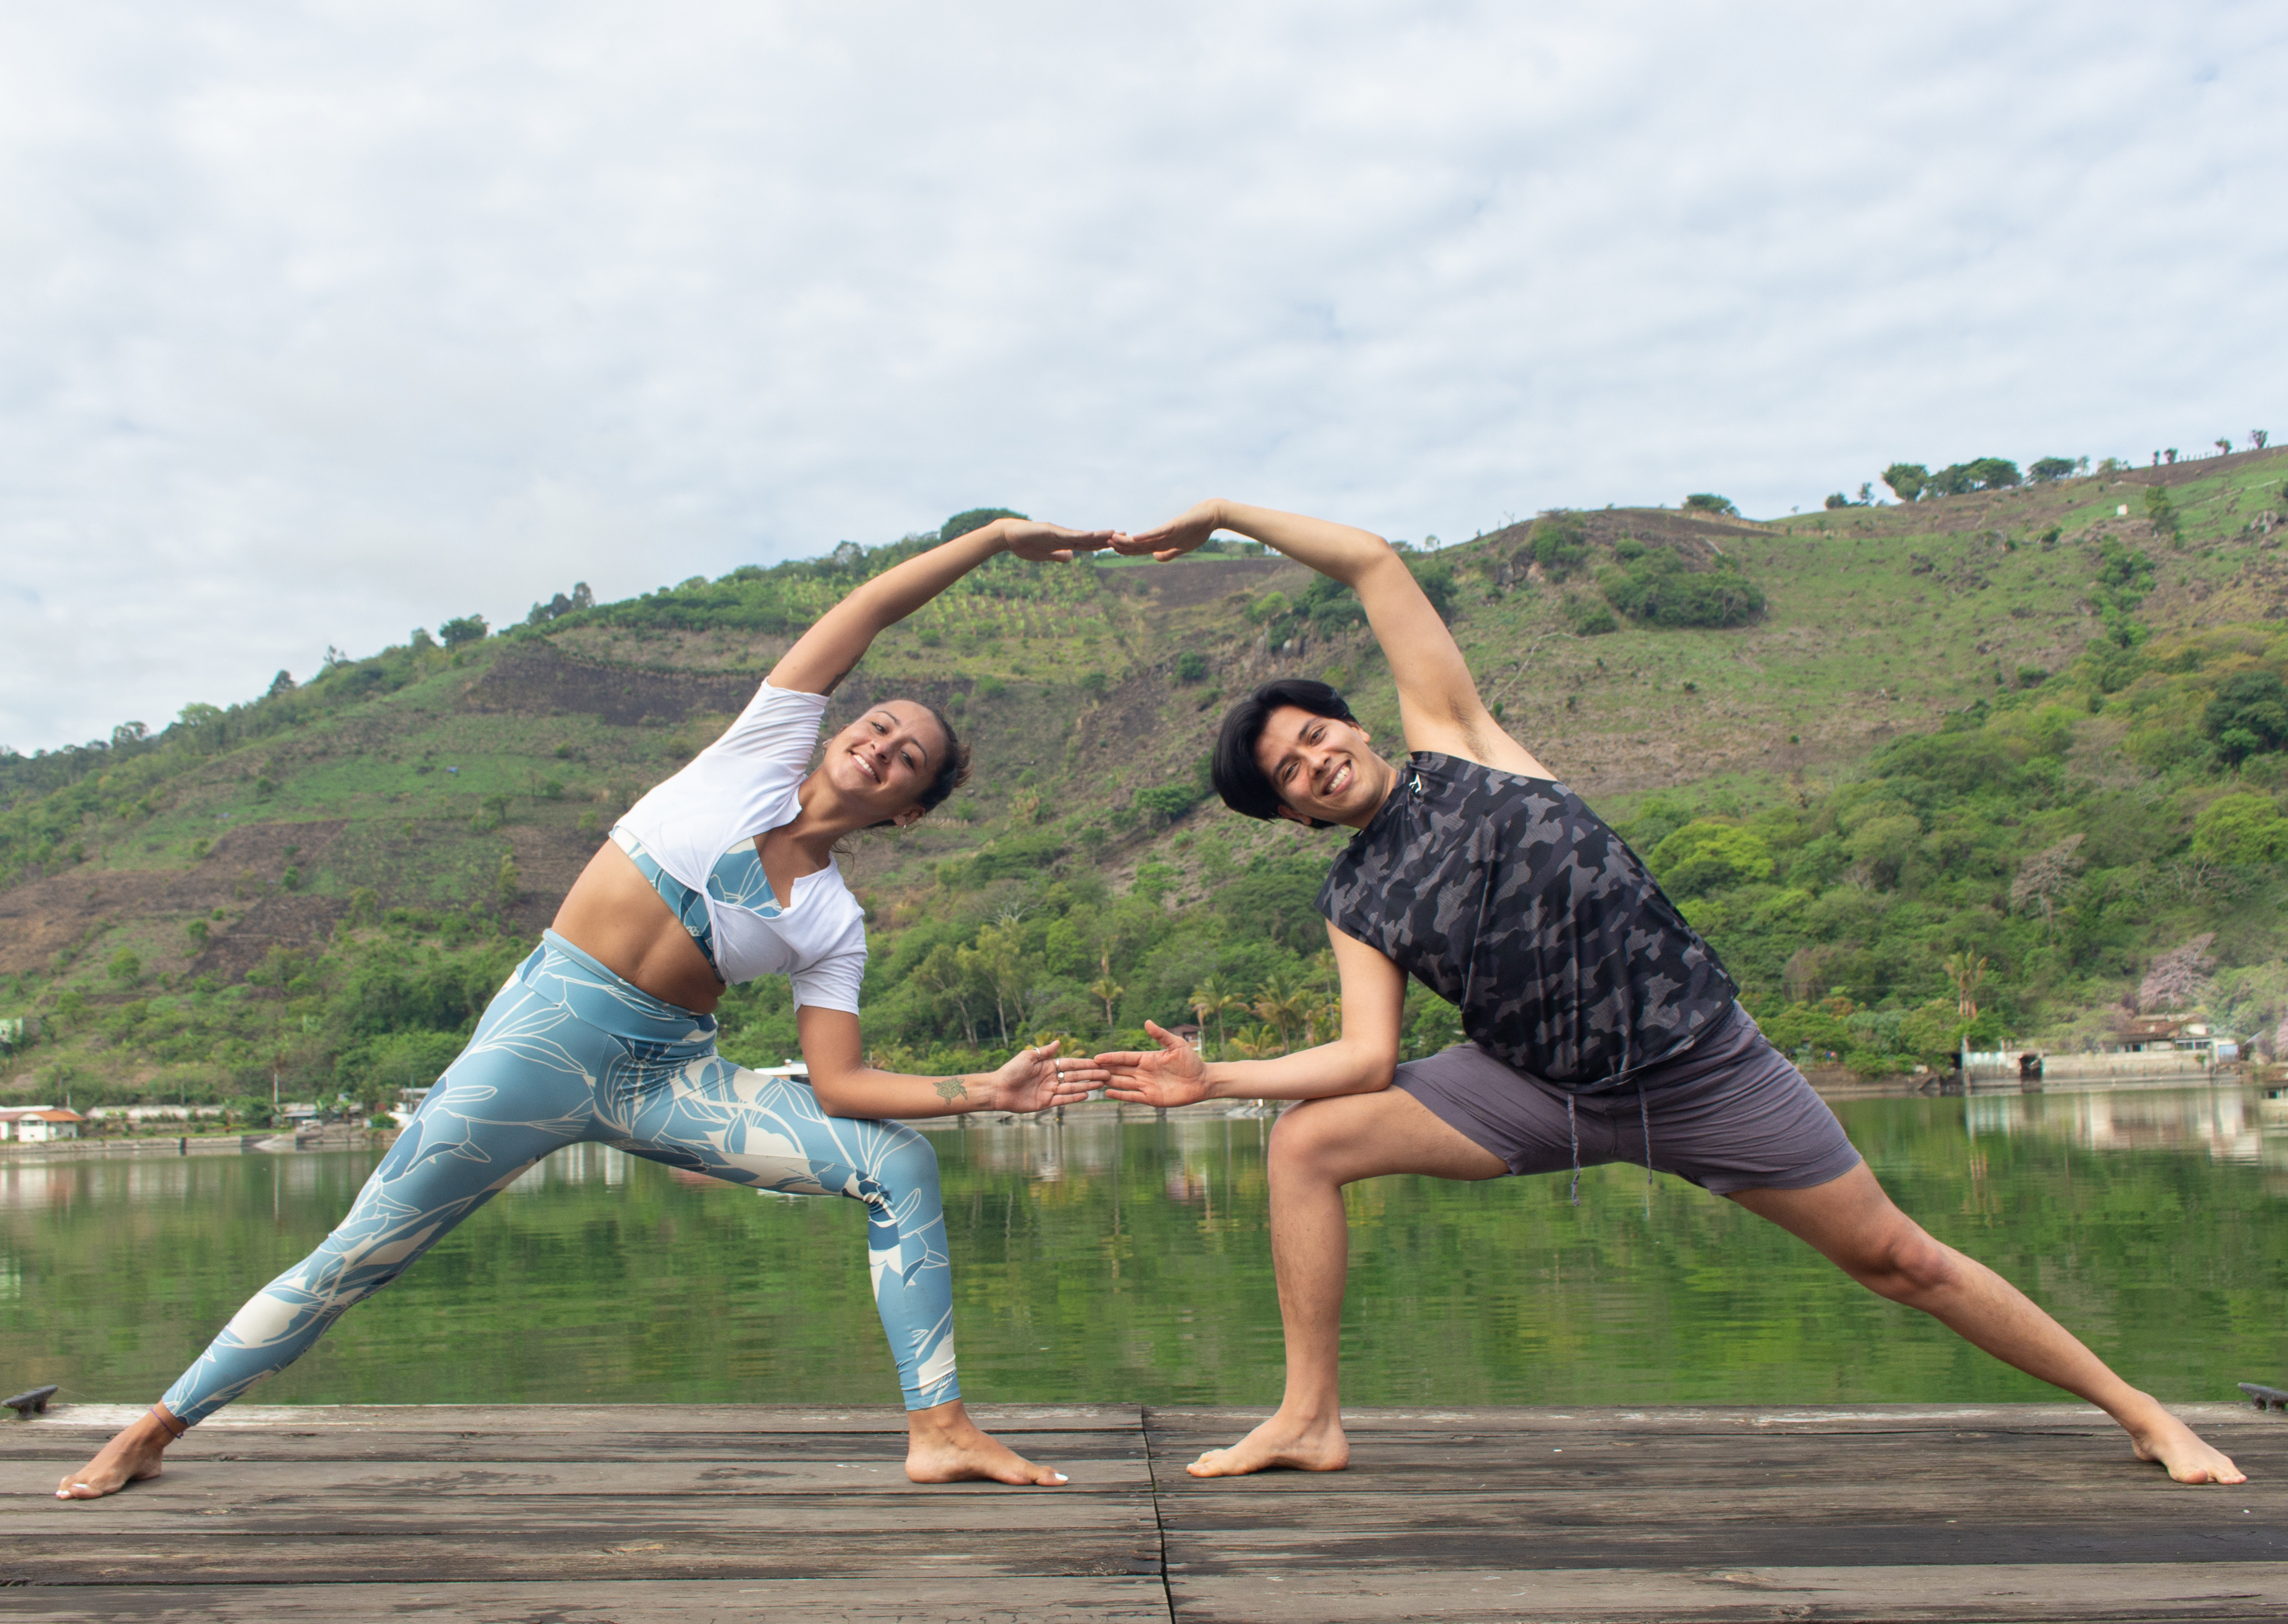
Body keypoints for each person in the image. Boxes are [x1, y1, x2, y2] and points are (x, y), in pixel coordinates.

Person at [1098, 499, 2245, 1487]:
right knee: (1305, 1142)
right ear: (1292, 815)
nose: (1314, 762)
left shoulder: (1461, 745)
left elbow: (1370, 563)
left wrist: (1226, 515)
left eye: (1313, 735)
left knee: (1900, 1260)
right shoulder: (1353, 898)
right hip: (1530, 1088)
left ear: (1349, 720)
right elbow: (1362, 1058)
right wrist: (1214, 1079)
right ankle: (1308, 1418)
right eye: (1290, 775)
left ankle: (2137, 1409)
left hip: (1704, 1068)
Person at [59, 517, 1114, 1502]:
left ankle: (939, 1428)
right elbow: (869, 609)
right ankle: (158, 1424)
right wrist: (992, 539)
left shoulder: (835, 922)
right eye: (878, 725)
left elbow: (838, 1085)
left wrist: (985, 1090)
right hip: (537, 1045)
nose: (881, 746)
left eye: (907, 759)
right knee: (363, 1248)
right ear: (841, 726)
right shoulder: (757, 748)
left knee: (898, 1164)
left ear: (909, 809)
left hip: (666, 1078)